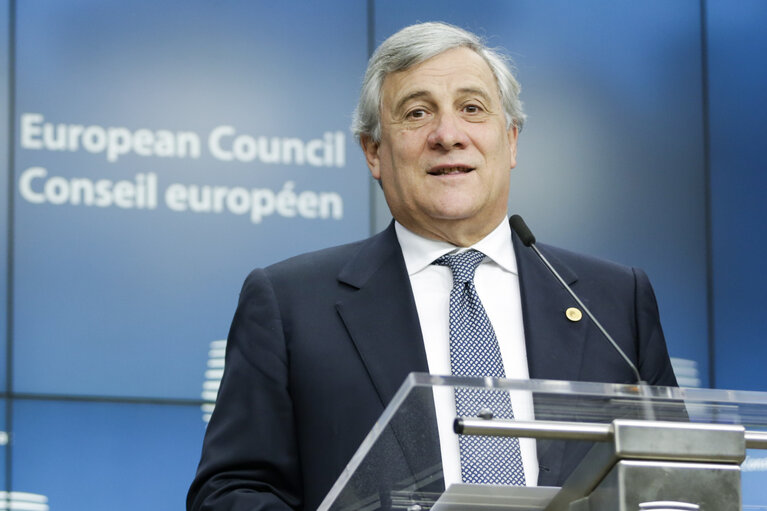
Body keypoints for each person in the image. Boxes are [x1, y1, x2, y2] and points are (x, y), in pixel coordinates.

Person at [187, 21, 677, 511]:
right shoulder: (290, 304)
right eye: (417, 113)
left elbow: (678, 479)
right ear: (373, 152)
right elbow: (230, 494)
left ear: (511, 141)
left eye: (472, 108)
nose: (448, 135)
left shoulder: (614, 302)